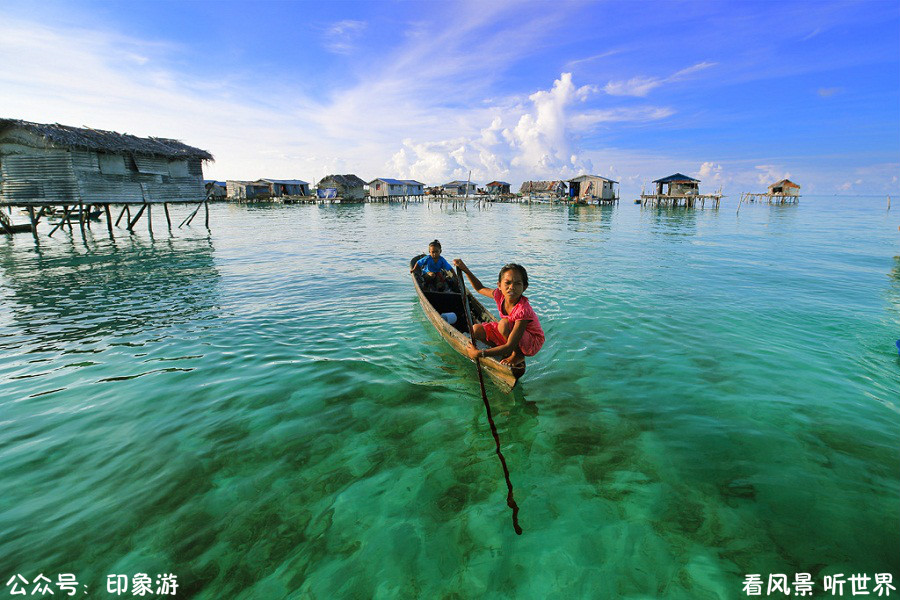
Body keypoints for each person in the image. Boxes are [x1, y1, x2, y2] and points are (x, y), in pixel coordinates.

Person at [452, 258, 544, 366]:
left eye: (517, 284)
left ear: (524, 287)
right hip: (511, 334)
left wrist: (479, 353)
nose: (512, 287)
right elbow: (479, 288)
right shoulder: (499, 295)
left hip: (531, 341)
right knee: (476, 329)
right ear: (499, 285)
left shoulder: (523, 310)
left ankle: (517, 355)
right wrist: (465, 269)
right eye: (507, 283)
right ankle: (501, 351)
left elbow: (510, 344)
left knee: (503, 324)